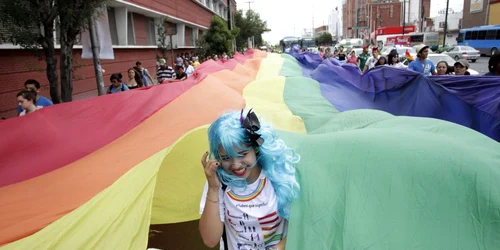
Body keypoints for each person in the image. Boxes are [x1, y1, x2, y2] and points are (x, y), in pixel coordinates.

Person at [199, 110, 300, 250]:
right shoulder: (219, 181)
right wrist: (213, 188)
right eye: (226, 158)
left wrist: (279, 248)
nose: (236, 165)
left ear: (256, 148)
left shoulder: (280, 173)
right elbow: (210, 240)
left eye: (242, 154)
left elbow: (304, 225)